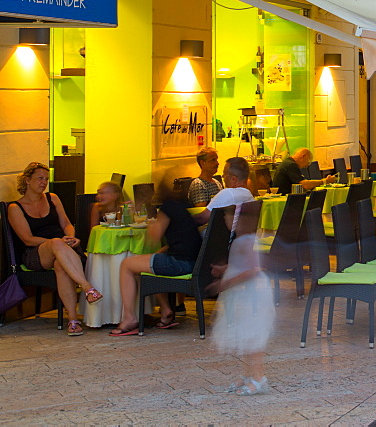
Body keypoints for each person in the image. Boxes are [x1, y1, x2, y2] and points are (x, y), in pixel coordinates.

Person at [7, 162, 102, 337]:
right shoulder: (15, 208)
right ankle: (87, 287)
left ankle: (73, 321)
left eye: (46, 179)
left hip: (64, 250)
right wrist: (56, 242)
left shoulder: (52, 198)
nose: (44, 183)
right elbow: (27, 239)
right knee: (56, 244)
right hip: (36, 252)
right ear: (27, 180)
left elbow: (66, 223)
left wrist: (71, 236)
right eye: (40, 178)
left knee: (61, 265)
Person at [110, 199, 202, 335]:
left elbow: (154, 236)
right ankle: (166, 311)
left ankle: (130, 318)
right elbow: (177, 242)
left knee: (126, 265)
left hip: (180, 264)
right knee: (152, 260)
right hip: (194, 262)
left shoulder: (167, 208)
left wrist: (151, 222)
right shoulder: (182, 207)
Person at [211, 205, 274, 396]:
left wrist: (226, 282)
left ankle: (259, 378)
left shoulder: (246, 241)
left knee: (253, 338)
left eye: (229, 216)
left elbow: (253, 270)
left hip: (251, 295)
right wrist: (226, 269)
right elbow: (243, 264)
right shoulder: (240, 240)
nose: (226, 220)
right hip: (244, 295)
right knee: (246, 337)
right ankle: (249, 375)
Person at [192, 157, 255, 228]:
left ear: (234, 179)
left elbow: (202, 218)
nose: (223, 176)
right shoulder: (248, 195)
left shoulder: (228, 193)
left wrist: (186, 218)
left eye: (225, 174)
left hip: (221, 238)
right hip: (242, 237)